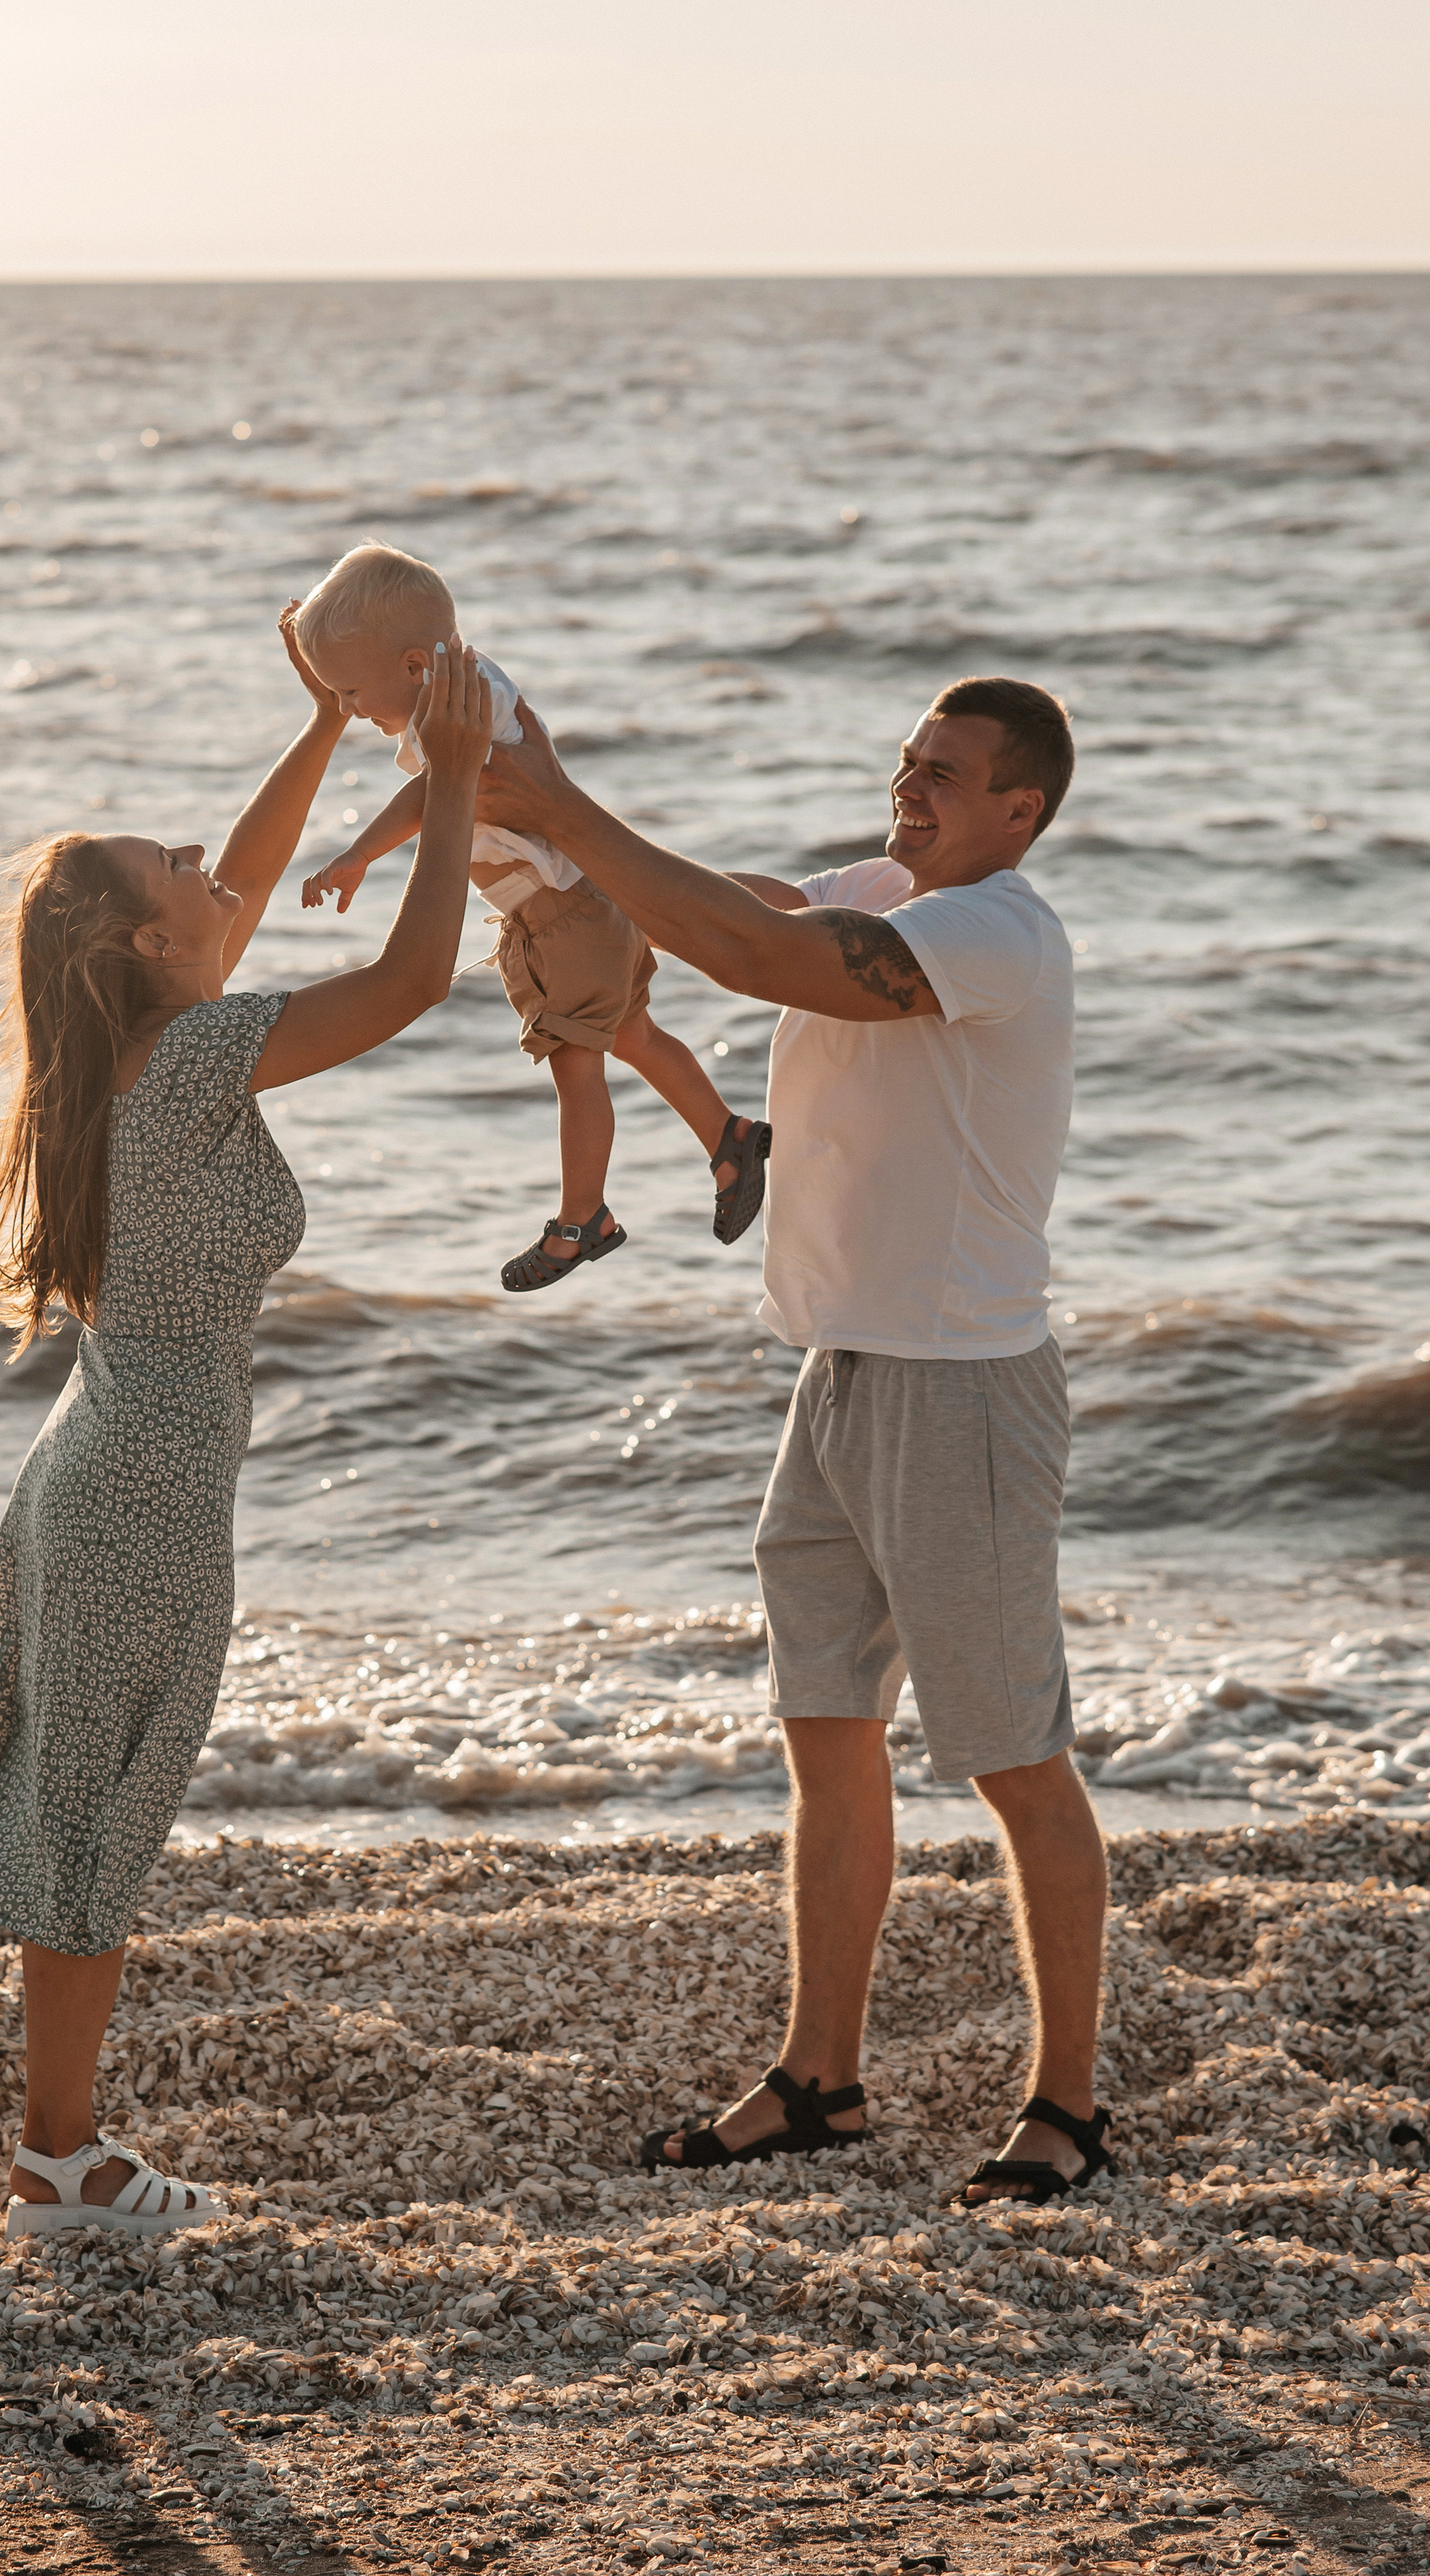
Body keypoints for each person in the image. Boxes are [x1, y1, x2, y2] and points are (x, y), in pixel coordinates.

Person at [0, 619, 490, 2235]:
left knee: (8, 1792)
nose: (202, 857)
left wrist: (321, 726)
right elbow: (406, 977)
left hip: (80, 1469)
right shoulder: (185, 1058)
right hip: (149, 1491)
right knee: (93, 1820)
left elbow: (228, 894)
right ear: (135, 938)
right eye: (162, 860)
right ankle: (61, 2158)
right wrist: (448, 783)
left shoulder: (115, 1047)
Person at [479, 675, 1116, 2207]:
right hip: (838, 1376)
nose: (911, 788)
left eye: (945, 776)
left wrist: (563, 813)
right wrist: (541, 849)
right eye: (906, 761)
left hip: (958, 1386)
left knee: (1015, 1759)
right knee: (823, 1732)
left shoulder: (995, 932)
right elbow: (738, 909)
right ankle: (817, 2080)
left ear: (1017, 810)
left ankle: (1068, 2110)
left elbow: (768, 956)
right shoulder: (889, 885)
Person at [294, 542, 771, 1289]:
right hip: (576, 902)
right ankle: (728, 1136)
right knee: (635, 1034)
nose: (350, 711)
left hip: (566, 917)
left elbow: (438, 795)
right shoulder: (463, 687)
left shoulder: (460, 707)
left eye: (351, 692)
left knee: (577, 1067)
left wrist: (358, 854)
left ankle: (584, 1220)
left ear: (416, 665)